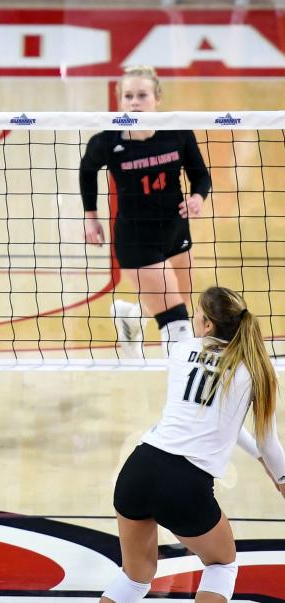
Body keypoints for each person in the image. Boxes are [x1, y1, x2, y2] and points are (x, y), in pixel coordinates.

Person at [102, 286, 285, 603]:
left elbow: (213, 417)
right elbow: (269, 442)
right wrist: (280, 477)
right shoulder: (255, 369)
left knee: (134, 579)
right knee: (221, 565)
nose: (194, 317)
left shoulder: (181, 349)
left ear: (208, 325)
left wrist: (259, 457)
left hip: (138, 469)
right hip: (184, 485)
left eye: (198, 312)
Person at [80, 65, 211, 359]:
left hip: (176, 231)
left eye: (141, 95)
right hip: (136, 239)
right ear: (119, 100)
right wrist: (91, 216)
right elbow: (87, 170)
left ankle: (130, 315)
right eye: (128, 96)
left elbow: (201, 176)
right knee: (177, 325)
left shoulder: (177, 132)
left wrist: (198, 197)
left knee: (181, 300)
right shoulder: (107, 141)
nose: (134, 102)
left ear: (157, 98)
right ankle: (181, 398)